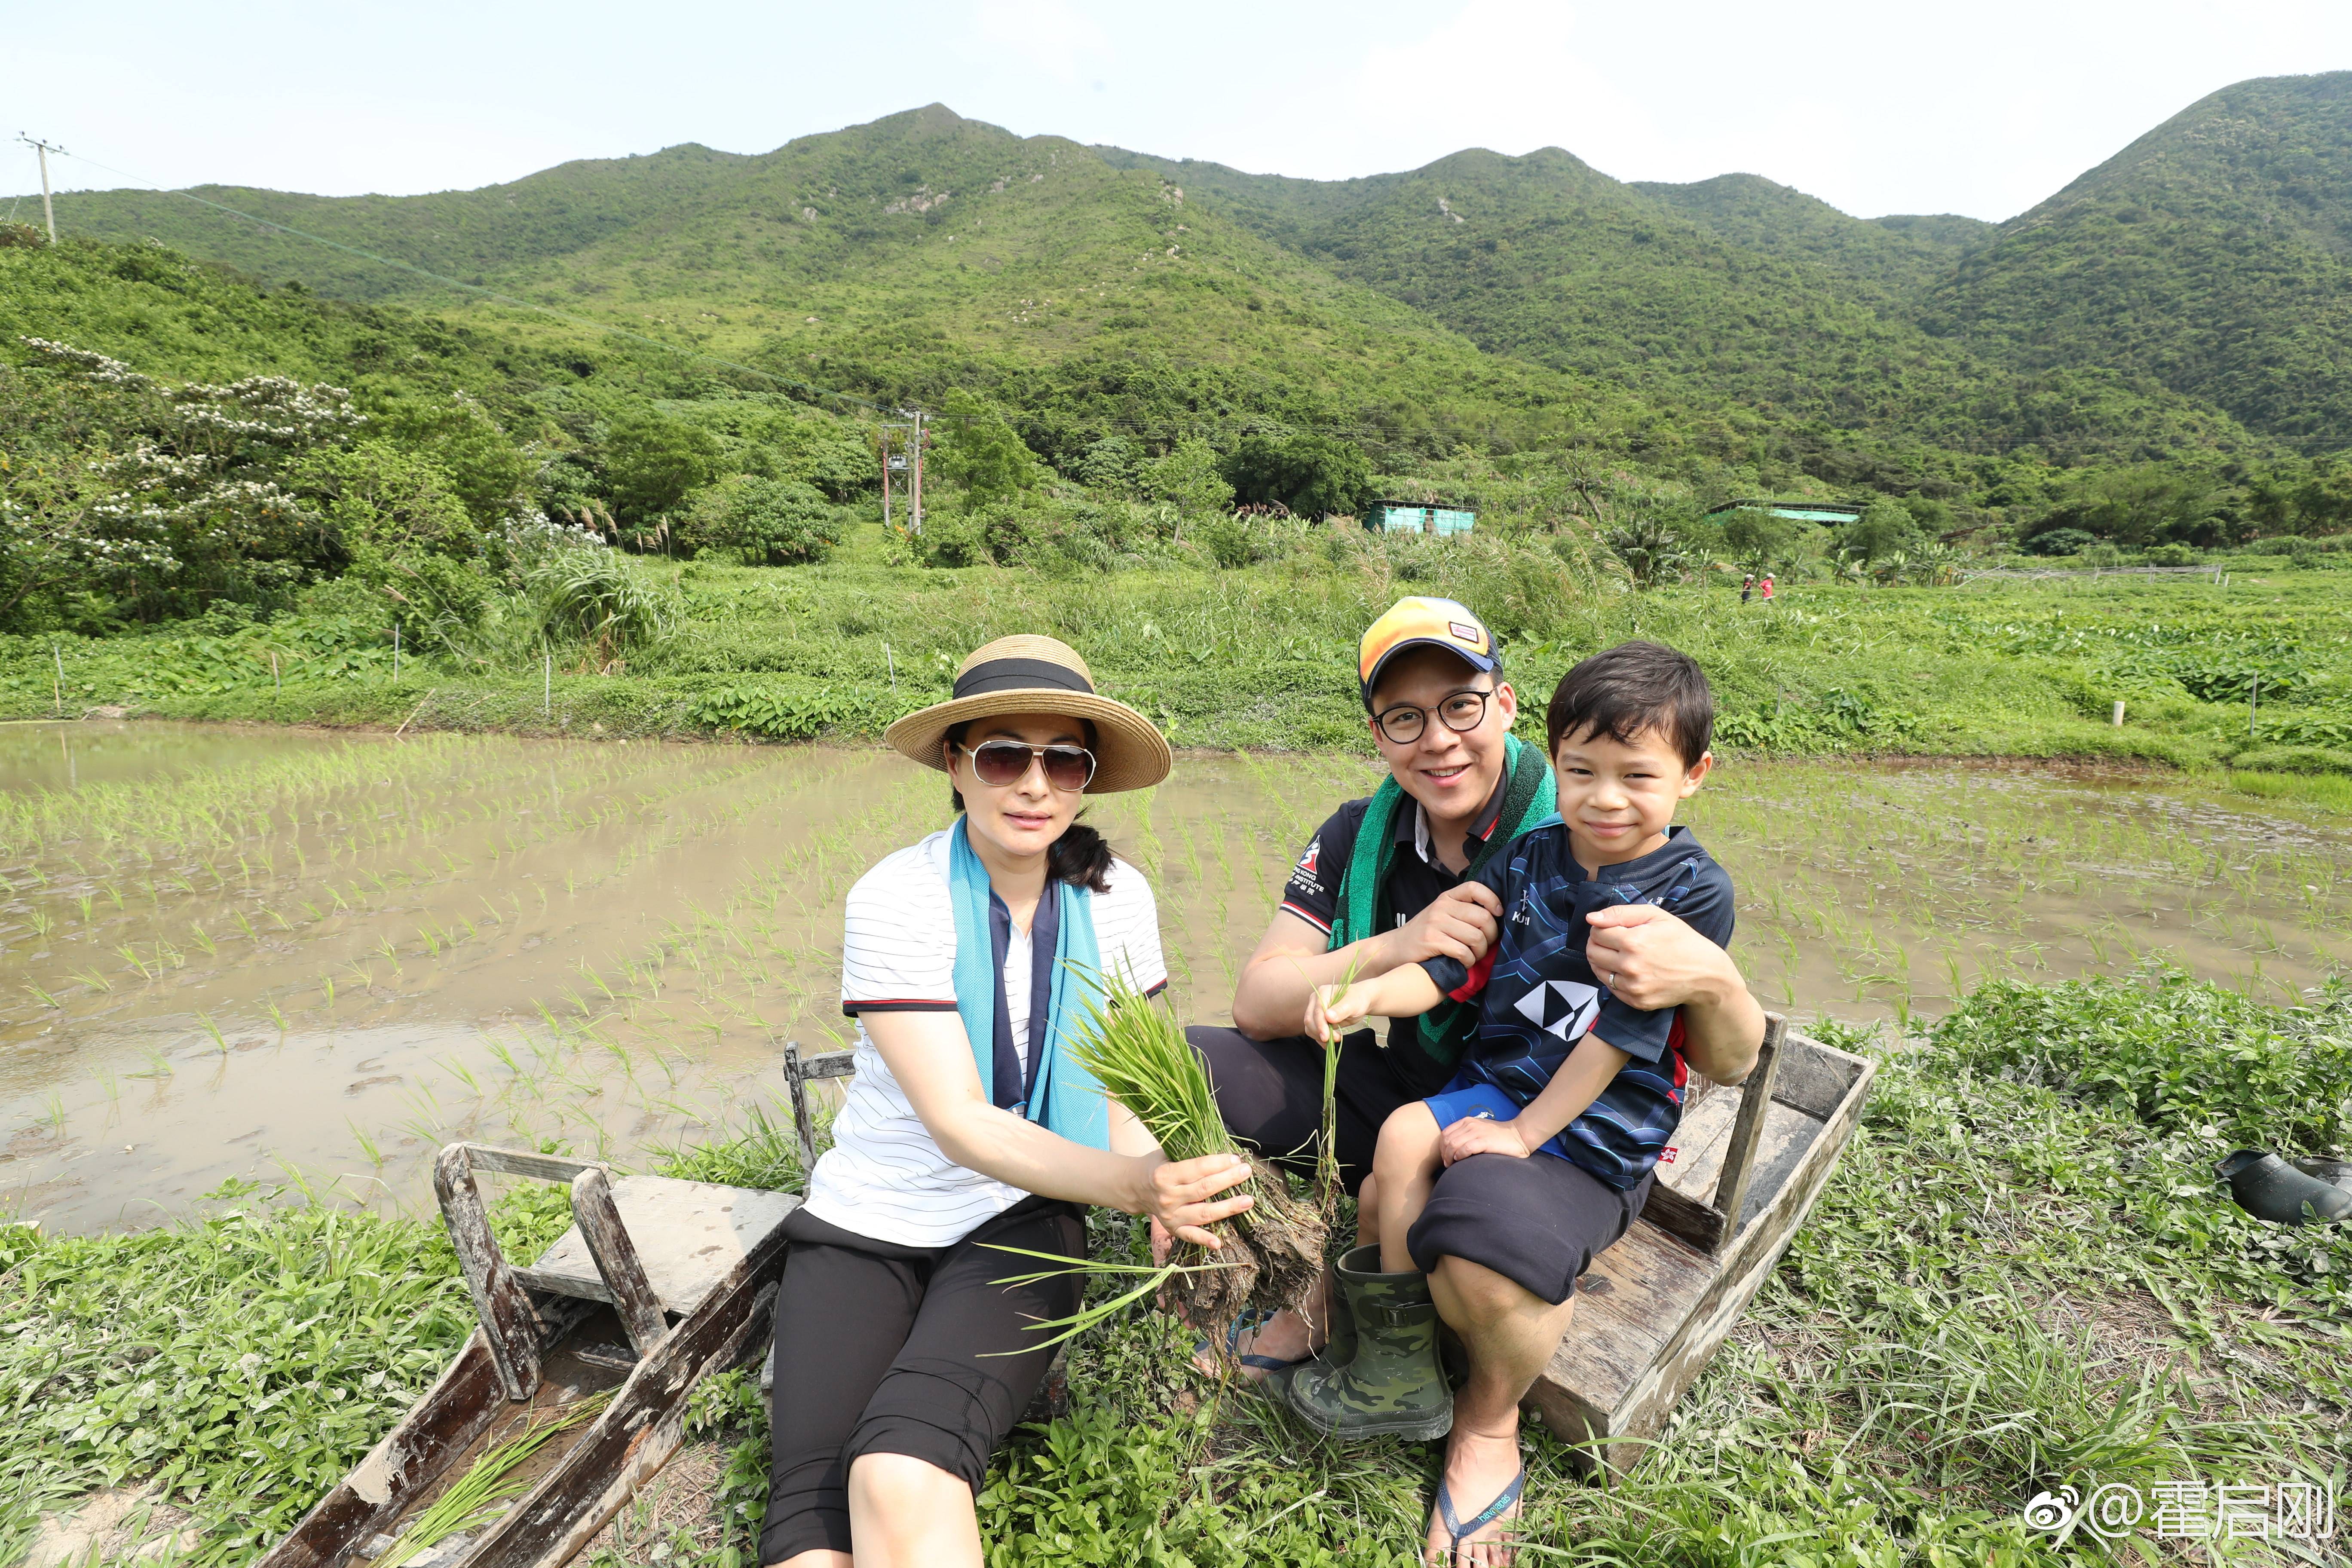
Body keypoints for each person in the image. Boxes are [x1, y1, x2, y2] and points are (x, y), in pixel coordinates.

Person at [763, 634, 1256, 1568]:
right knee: (807, 1528)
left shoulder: (1117, 899)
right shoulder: (898, 897)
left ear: (1087, 780)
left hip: (1019, 1219)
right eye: (1004, 755)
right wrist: (1136, 1187)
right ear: (955, 764)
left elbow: (1137, 1075)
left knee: (900, 1473)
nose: (1035, 784)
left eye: (1063, 759)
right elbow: (956, 1121)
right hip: (870, 1218)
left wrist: (1162, 1171)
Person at [1298, 641, 1735, 1563]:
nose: (1605, 799)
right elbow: (1451, 969)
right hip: (1502, 1085)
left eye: (1638, 777)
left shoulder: (1688, 893)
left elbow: (1621, 1039)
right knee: (1402, 1144)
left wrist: (1522, 1134)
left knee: (1443, 1218)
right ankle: (1402, 1355)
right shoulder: (1532, 857)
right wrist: (1364, 995)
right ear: (1554, 760)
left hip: (1596, 1127)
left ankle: (1481, 1417)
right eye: (1581, 771)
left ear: (1693, 778)